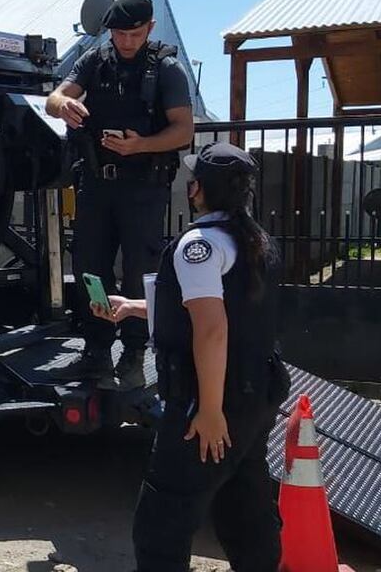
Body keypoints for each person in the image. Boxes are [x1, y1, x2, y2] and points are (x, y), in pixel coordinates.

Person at [91, 142, 290, 571]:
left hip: (211, 399)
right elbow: (215, 309)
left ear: (197, 189)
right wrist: (131, 306)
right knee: (244, 503)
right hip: (257, 391)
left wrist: (211, 411)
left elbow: (212, 329)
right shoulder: (257, 242)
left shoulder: (197, 245)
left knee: (162, 522)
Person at [46, 0, 194, 387]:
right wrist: (63, 106)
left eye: (133, 33)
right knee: (90, 268)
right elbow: (55, 97)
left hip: (143, 187)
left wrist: (140, 145)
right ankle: (95, 350)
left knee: (138, 273)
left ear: (148, 28)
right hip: (96, 184)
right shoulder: (95, 60)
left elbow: (184, 130)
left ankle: (132, 354)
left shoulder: (166, 69)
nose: (125, 41)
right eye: (118, 33)